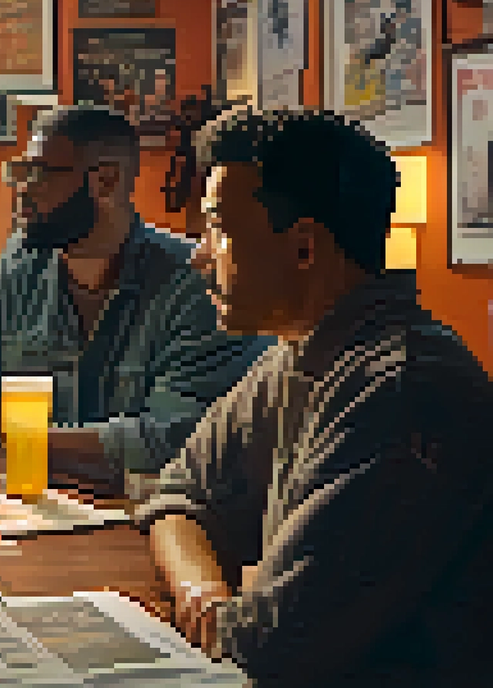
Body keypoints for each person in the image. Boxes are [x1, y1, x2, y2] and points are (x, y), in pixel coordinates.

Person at [137, 109, 493, 686]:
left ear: (304, 248)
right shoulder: (295, 354)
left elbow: (275, 645)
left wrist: (227, 614)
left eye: (219, 231)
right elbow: (177, 495)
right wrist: (206, 595)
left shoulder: (403, 390)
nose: (200, 257)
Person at [0, 105, 269, 483]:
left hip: (145, 518)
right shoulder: (22, 258)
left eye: (40, 173)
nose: (21, 189)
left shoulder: (199, 284)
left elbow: (172, 438)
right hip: (32, 501)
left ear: (106, 181)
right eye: (21, 171)